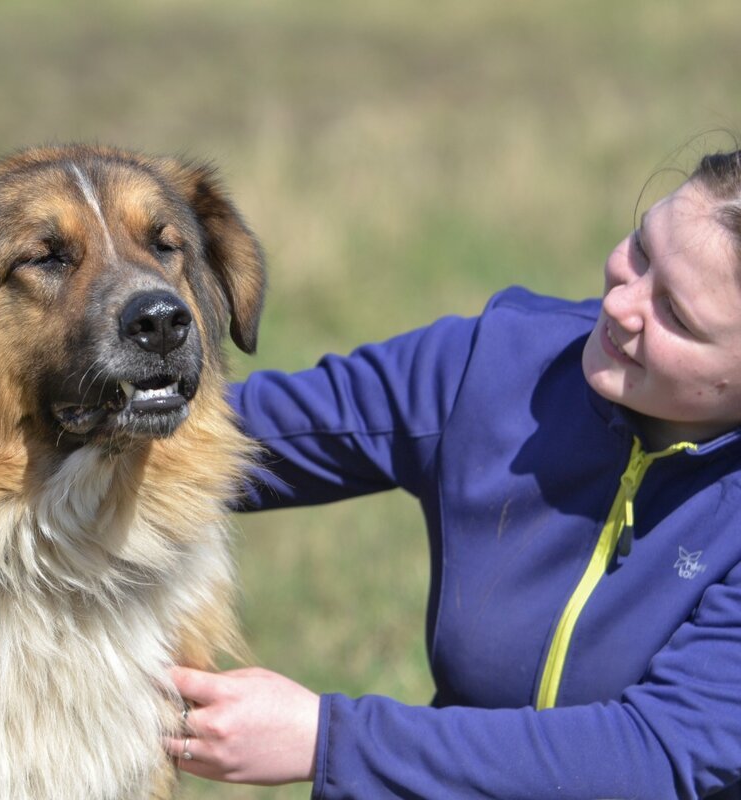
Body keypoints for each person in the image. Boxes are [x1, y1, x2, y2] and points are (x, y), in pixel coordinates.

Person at [166, 149, 741, 798]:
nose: (622, 303)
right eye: (641, 249)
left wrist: (328, 739)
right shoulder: (499, 364)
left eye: (676, 314)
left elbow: (653, 758)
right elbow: (229, 439)